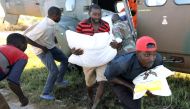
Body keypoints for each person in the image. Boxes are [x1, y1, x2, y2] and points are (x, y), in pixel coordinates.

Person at [105, 36, 163, 109]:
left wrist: (152, 89)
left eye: (154, 54)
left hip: (136, 81)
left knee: (136, 103)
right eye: (147, 55)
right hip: (121, 81)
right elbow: (109, 76)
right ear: (137, 53)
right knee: (133, 106)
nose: (152, 59)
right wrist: (130, 86)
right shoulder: (123, 63)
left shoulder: (158, 60)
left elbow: (157, 75)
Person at [25, 6, 68, 100]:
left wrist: (54, 39)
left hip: (50, 46)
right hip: (42, 50)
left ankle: (59, 81)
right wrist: (42, 47)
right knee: (54, 71)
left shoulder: (51, 22)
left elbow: (48, 34)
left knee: (65, 60)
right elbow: (27, 39)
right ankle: (45, 93)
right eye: (59, 16)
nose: (60, 18)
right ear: (55, 16)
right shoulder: (43, 26)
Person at [73, 4, 110, 109]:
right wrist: (75, 50)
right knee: (89, 83)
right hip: (87, 58)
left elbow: (107, 40)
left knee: (102, 81)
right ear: (89, 14)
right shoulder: (81, 25)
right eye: (94, 14)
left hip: (102, 57)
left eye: (99, 14)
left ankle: (95, 105)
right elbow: (76, 41)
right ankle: (90, 98)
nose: (97, 17)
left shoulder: (106, 25)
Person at [0, 33, 29, 109]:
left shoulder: (2, 48)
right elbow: (12, 82)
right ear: (21, 44)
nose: (26, 47)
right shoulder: (22, 56)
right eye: (26, 44)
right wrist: (22, 98)